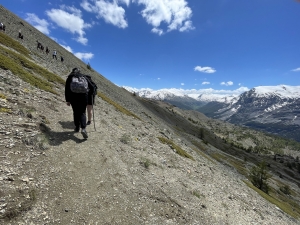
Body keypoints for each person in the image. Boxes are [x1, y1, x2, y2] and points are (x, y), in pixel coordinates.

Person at [65, 68, 93, 139]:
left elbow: (67, 89)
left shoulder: (70, 77)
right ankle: (83, 128)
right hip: (84, 97)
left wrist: (67, 100)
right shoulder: (84, 77)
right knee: (82, 112)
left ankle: (77, 127)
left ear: (72, 71)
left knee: (75, 112)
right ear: (79, 71)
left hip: (73, 97)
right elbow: (92, 87)